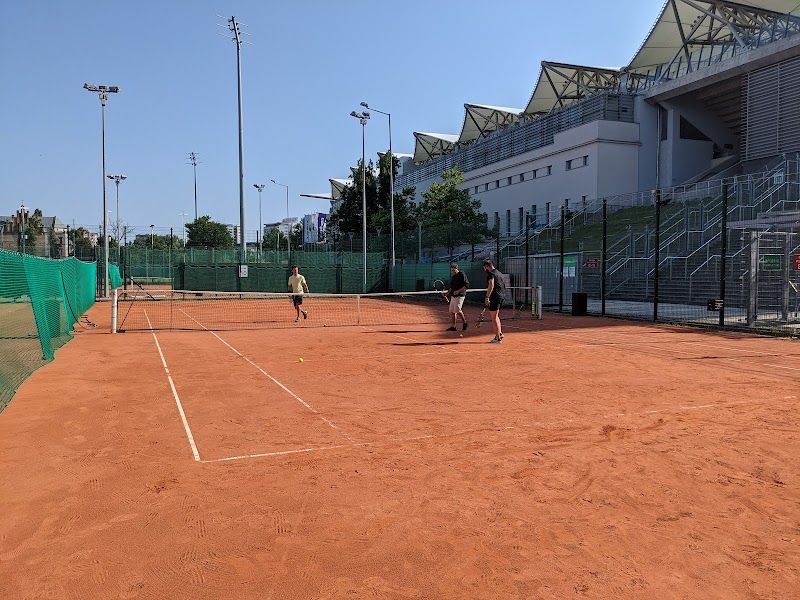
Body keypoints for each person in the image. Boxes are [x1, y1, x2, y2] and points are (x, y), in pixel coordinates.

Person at [483, 259, 505, 343]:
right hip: (501, 296)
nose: (485, 270)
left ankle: (497, 338)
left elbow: (491, 285)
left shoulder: (491, 274)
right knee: (496, 316)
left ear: (487, 266)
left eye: (484, 268)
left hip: (495, 297)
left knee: (494, 318)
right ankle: (500, 333)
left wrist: (487, 297)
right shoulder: (499, 273)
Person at [446, 263, 469, 332]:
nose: (452, 272)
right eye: (451, 270)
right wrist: (447, 293)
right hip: (453, 296)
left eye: (453, 270)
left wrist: (458, 291)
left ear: (456, 268)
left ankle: (465, 323)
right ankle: (453, 326)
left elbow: (466, 285)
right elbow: (452, 287)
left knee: (457, 310)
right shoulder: (453, 277)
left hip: (460, 296)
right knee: (452, 311)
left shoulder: (462, 274)